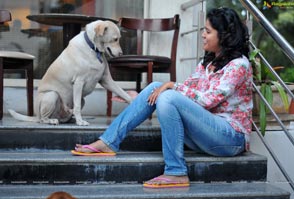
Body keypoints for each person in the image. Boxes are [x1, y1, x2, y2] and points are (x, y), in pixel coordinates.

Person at [72, 7, 252, 189]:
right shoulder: (208, 62)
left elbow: (208, 100)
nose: (203, 35)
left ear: (224, 36)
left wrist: (173, 86)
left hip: (230, 139)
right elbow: (188, 89)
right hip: (206, 133)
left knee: (168, 96)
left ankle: (176, 172)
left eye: (208, 31)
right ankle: (108, 142)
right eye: (203, 30)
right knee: (156, 88)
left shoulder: (239, 65)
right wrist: (143, 97)